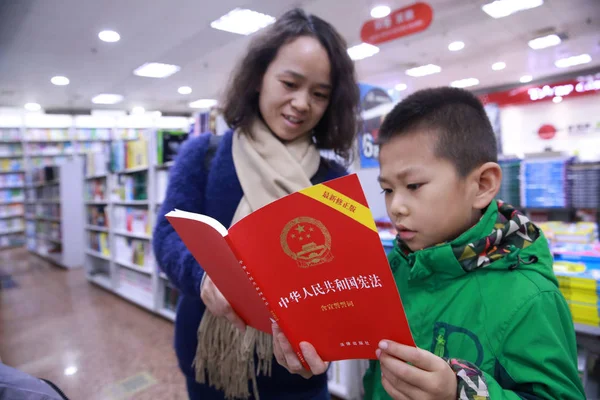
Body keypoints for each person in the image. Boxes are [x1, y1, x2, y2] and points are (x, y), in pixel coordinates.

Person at [273, 87, 586, 399]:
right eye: (388, 189)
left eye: (413, 185)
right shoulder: (393, 269)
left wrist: (461, 392)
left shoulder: (530, 298)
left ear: (482, 184)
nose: (396, 207)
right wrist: (314, 342)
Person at [152, 8, 359, 400]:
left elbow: (345, 278)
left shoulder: (333, 181)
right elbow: (167, 236)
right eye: (290, 83)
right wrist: (203, 277)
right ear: (259, 77)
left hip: (299, 373)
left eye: (319, 94)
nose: (301, 103)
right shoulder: (205, 155)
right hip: (210, 364)